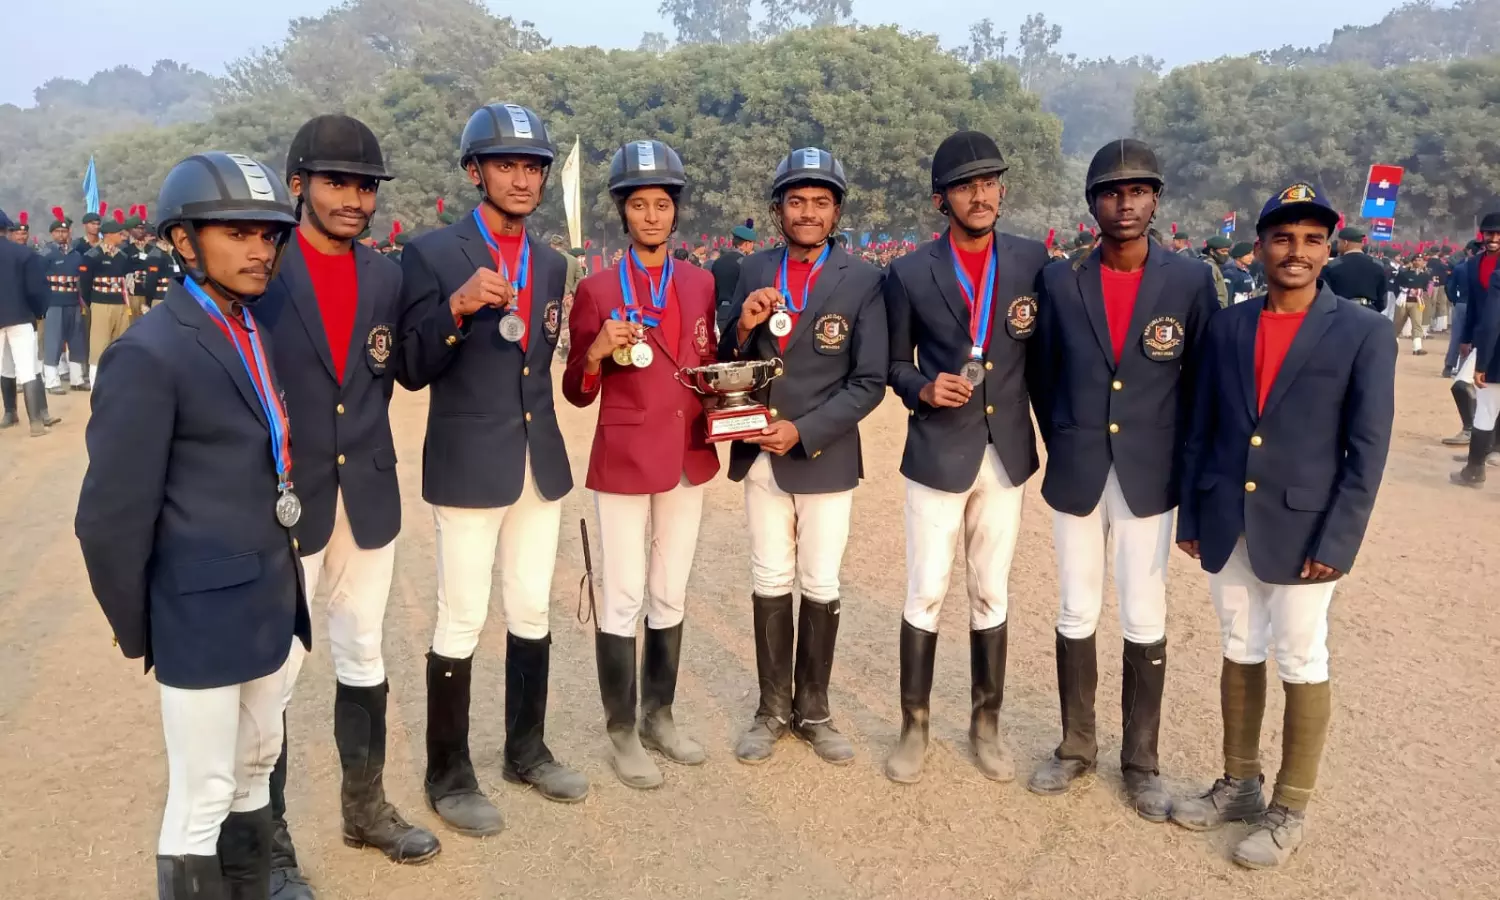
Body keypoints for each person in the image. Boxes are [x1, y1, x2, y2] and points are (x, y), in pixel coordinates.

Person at [75, 150, 311, 899]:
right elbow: (109, 517)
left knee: (253, 769)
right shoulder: (149, 352)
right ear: (183, 242)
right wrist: (147, 626)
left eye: (269, 235)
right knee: (202, 794)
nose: (258, 249)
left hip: (267, 600)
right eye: (236, 232)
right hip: (198, 617)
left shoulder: (250, 330)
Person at [1172, 181, 1395, 869]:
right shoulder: (1231, 326)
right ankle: (1240, 784)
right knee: (1240, 643)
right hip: (1228, 517)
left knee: (1301, 656)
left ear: (1328, 249)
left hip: (1306, 532)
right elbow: (1200, 429)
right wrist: (1191, 513)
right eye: (1282, 237)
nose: (1295, 251)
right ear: (1262, 245)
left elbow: (1368, 449)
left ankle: (1290, 805)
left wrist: (1340, 540)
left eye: (1310, 239)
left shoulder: (1362, 332)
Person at [255, 115, 440, 898]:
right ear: (297, 185)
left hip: (366, 492)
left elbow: (409, 371)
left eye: (365, 186)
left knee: (363, 655)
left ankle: (364, 809)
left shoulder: (389, 277)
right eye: (337, 182)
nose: (354, 199)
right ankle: (267, 847)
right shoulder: (263, 267)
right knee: (274, 678)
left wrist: (455, 316)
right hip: (284, 502)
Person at [397, 102, 586, 837]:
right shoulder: (433, 253)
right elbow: (413, 367)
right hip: (469, 462)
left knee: (532, 611)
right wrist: (457, 306)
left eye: (532, 166)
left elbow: (536, 356)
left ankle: (527, 749)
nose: (521, 177)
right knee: (462, 616)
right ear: (475, 172)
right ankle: (447, 772)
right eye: (505, 164)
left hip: (538, 462)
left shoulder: (552, 262)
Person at [1027, 138, 1218, 821]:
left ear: (1156, 200)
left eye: (1138, 191)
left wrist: (1190, 476)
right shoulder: (1059, 279)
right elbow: (1042, 376)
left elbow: (1201, 384)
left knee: (1144, 613)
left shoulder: (1191, 281)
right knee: (1076, 607)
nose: (1125, 202)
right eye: (1111, 192)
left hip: (1150, 472)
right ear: (1092, 204)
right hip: (1079, 467)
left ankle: (1141, 760)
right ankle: (1077, 745)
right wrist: (1068, 440)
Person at [882, 130, 1048, 784]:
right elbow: (893, 361)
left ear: (1001, 189)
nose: (979, 195)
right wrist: (922, 386)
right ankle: (913, 726)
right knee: (925, 591)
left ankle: (986, 724)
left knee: (990, 590)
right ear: (940, 199)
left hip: (1005, 453)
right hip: (937, 449)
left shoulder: (1035, 262)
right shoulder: (910, 271)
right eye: (964, 186)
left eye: (988, 183)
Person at [718, 147, 886, 766]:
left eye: (820, 202)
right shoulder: (751, 267)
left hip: (825, 452)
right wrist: (741, 326)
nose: (808, 212)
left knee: (819, 579)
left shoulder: (866, 279)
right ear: (777, 210)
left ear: (836, 210)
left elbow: (868, 380)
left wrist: (805, 430)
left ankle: (813, 709)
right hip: (759, 449)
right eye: (796, 201)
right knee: (769, 576)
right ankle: (770, 709)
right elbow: (723, 353)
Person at [562, 139, 718, 789]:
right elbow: (576, 390)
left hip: (688, 454)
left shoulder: (702, 281)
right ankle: (621, 730)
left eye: (662, 204)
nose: (652, 216)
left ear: (675, 213)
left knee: (669, 589)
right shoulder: (597, 288)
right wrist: (595, 351)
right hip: (624, 456)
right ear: (622, 214)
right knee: (622, 594)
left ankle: (660, 714)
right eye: (639, 205)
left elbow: (708, 363)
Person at [1452, 212, 1500, 487]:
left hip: (1492, 340)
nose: (1493, 239)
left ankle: (1477, 463)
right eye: (1489, 233)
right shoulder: (1474, 264)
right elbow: (1473, 305)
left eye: (1498, 234)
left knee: (1486, 401)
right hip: (1482, 334)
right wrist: (1466, 336)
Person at [0, 208, 54, 435]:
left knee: (5, 368)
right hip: (21, 316)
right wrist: (39, 312)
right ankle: (35, 423)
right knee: (27, 369)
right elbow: (36, 289)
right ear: (7, 230)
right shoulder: (22, 254)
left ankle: (10, 413)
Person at [39, 209, 90, 393]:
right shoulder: (46, 254)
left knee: (76, 340)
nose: (62, 235)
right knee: (53, 341)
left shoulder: (76, 255)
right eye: (58, 232)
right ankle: (52, 381)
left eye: (65, 231)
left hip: (73, 302)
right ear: (52, 234)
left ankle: (77, 379)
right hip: (53, 302)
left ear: (69, 233)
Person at [81, 215, 135, 386]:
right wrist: (91, 303)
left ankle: (117, 381)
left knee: (119, 343)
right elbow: (84, 283)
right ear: (109, 234)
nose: (122, 237)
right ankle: (96, 383)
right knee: (99, 344)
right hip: (100, 304)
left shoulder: (122, 257)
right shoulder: (93, 255)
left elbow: (126, 280)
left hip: (120, 304)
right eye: (119, 233)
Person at [712, 219, 757, 333]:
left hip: (722, 312)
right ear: (747, 244)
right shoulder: (746, 263)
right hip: (739, 312)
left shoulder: (718, 262)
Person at [1391, 255, 1429, 355]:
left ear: (1423, 262)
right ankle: (1392, 345)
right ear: (1412, 262)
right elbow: (1396, 286)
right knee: (1397, 324)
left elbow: (1426, 289)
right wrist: (1399, 296)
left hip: (1417, 303)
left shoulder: (1425, 275)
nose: (1418, 262)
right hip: (1403, 302)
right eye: (1416, 260)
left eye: (1420, 260)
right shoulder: (1404, 274)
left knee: (1417, 325)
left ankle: (1417, 348)